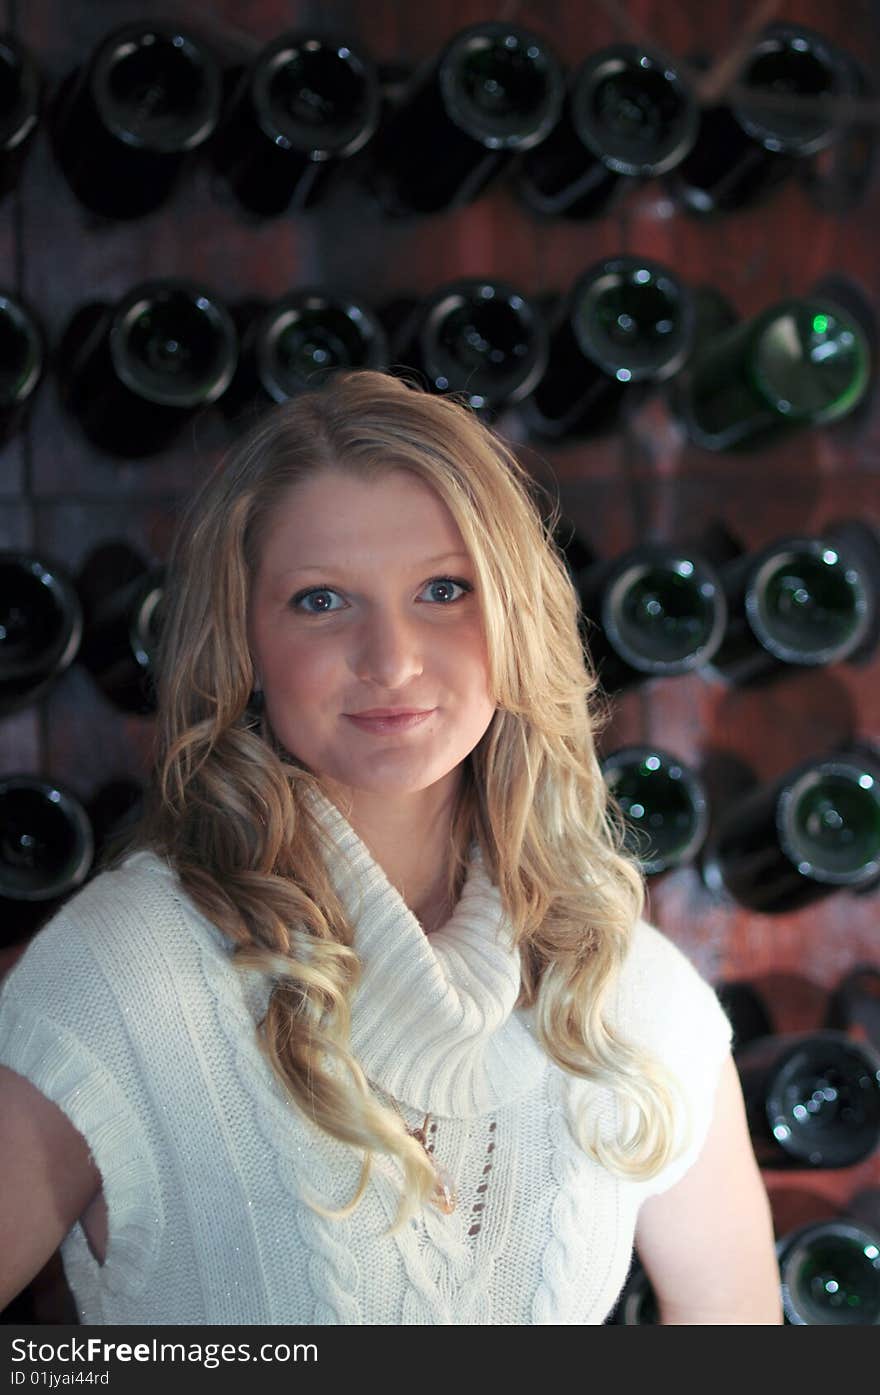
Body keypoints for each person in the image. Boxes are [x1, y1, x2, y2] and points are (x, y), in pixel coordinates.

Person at [0, 370, 782, 1325]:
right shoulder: (128, 973)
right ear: (242, 639)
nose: (393, 658)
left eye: (444, 589)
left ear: (514, 618)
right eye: (321, 601)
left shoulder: (632, 997)